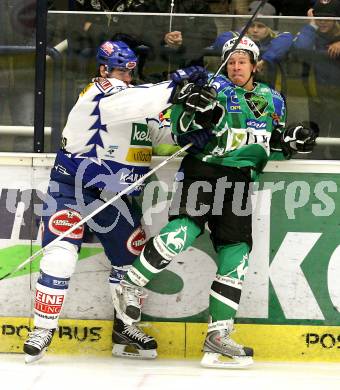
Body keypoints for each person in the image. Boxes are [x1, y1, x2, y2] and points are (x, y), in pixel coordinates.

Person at [111, 36, 317, 368]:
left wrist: (292, 140)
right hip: (204, 170)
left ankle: (218, 336)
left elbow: (272, 141)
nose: (236, 66)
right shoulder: (210, 86)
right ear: (224, 63)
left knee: (236, 252)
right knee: (184, 230)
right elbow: (178, 128)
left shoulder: (272, 98)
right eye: (231, 61)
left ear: (254, 64)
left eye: (242, 61)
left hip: (241, 179)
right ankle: (130, 285)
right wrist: (195, 110)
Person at [23, 40, 208, 363]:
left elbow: (160, 133)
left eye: (129, 70)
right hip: (74, 192)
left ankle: (124, 329)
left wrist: (189, 137)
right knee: (59, 258)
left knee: (130, 259)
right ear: (103, 70)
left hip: (117, 198)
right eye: (120, 70)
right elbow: (129, 104)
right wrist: (175, 83)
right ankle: (42, 328)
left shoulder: (140, 104)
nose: (125, 76)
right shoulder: (98, 95)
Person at [212, 1, 293, 91]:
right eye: (251, 25)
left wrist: (264, 61)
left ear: (269, 28)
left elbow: (287, 38)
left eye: (260, 26)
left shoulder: (279, 38)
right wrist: (242, 34)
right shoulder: (240, 35)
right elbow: (220, 41)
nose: (255, 30)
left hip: (272, 93)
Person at [293, 0, 340, 138]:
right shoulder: (310, 33)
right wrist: (312, 25)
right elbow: (299, 48)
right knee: (317, 133)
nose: (323, 22)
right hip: (316, 96)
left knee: (337, 134)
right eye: (319, 18)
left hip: (337, 95)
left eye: (328, 19)